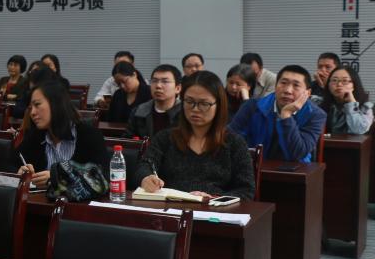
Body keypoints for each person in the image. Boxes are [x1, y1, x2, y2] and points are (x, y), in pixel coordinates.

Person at [135, 71, 255, 202]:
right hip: (171, 207)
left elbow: (246, 190)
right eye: (189, 101)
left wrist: (214, 198)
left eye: (204, 104)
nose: (195, 109)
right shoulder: (165, 138)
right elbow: (145, 165)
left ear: (219, 105)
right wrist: (146, 177)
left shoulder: (234, 143)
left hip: (215, 211)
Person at [14, 80, 109, 187]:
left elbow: (103, 178)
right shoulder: (35, 136)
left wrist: (59, 178)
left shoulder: (89, 135)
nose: (32, 113)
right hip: (40, 197)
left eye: (37, 105)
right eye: (30, 108)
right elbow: (9, 164)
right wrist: (19, 172)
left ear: (56, 104)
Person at [229, 65, 326, 162]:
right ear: (275, 86)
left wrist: (286, 115)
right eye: (283, 83)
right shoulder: (253, 107)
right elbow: (230, 138)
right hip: (255, 167)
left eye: (296, 85)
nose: (288, 90)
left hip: (297, 169)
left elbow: (298, 153)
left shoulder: (315, 115)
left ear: (308, 93)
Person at [126, 64, 182, 139]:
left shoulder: (185, 113)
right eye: (154, 81)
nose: (158, 86)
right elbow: (128, 140)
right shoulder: (138, 111)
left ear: (177, 88)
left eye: (165, 81)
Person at [320, 65, 373, 135]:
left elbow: (358, 130)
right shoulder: (319, 103)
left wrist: (352, 103)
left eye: (345, 81)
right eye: (334, 80)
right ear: (328, 85)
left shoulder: (365, 107)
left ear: (354, 85)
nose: (339, 84)